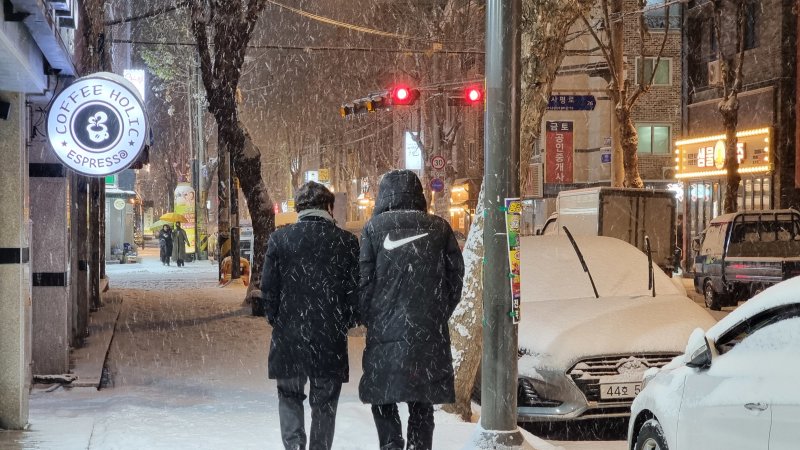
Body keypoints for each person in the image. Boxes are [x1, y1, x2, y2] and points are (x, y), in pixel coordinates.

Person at [358, 170, 464, 450]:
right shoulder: (439, 229)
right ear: (418, 195)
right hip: (428, 333)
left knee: (383, 399)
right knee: (422, 404)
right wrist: (436, 312)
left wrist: (373, 317)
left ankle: (391, 445)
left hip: (384, 334)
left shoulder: (373, 229)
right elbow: (455, 280)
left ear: (384, 195)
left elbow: (363, 283)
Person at [261, 181, 360, 450]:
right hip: (330, 337)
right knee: (325, 403)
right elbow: (355, 295)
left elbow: (268, 291)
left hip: (290, 336)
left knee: (289, 395)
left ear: (299, 208)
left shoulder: (280, 240)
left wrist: (279, 319)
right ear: (329, 207)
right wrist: (344, 320)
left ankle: (293, 446)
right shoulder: (347, 242)